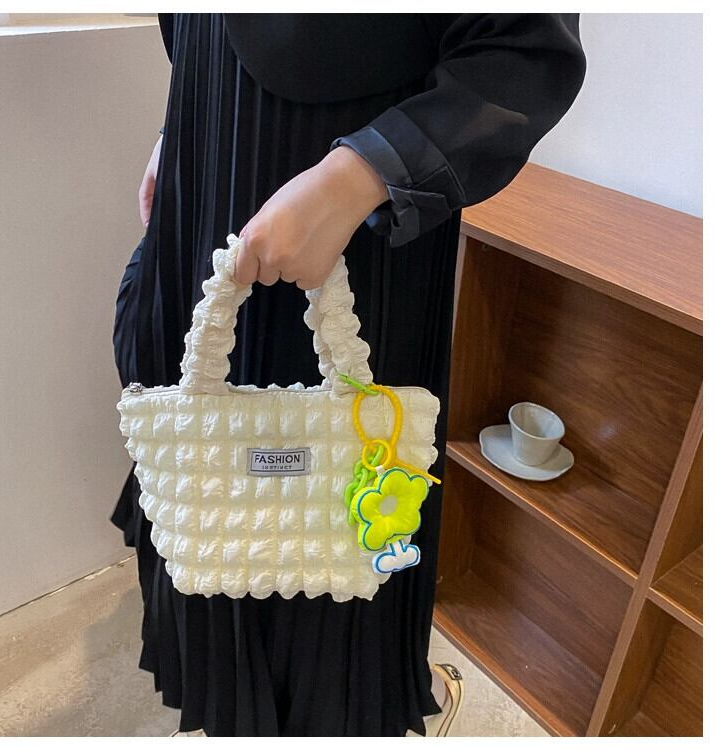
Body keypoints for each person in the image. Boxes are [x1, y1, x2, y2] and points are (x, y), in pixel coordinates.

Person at [111, 13, 586, 737]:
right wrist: (178, 124)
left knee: (335, 506)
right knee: (208, 494)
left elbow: (523, 45)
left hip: (348, 201)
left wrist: (360, 176)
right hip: (205, 158)